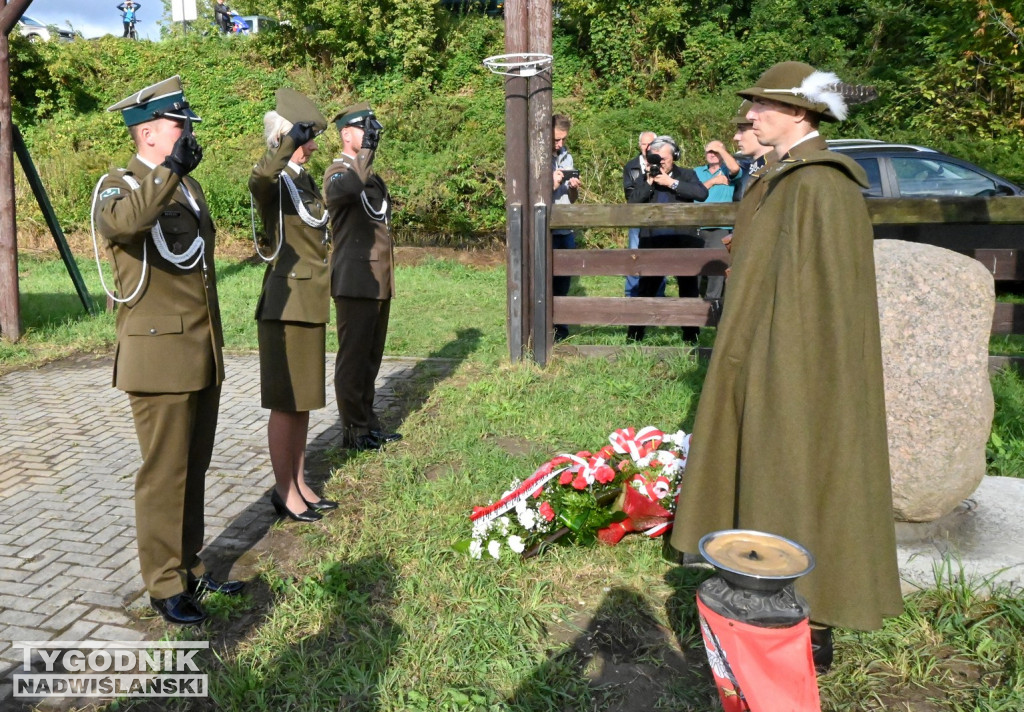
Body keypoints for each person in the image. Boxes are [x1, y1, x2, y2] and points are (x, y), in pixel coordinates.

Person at [669, 61, 904, 671]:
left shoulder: (821, 185)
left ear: (797, 113)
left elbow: (827, 301)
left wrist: (794, 371)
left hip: (795, 362)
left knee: (796, 469)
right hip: (763, 350)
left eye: (760, 107)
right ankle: (754, 598)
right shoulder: (784, 177)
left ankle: (807, 620)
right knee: (767, 467)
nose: (749, 116)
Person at [94, 76, 243, 625]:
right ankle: (162, 584)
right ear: (150, 133)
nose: (187, 135)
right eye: (179, 126)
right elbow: (127, 226)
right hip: (158, 356)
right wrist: (171, 172)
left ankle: (189, 570)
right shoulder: (116, 186)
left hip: (199, 349)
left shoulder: (188, 187)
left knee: (194, 467)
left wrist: (177, 175)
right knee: (164, 473)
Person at [250, 88, 337, 523]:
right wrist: (283, 145)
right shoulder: (276, 181)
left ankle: (299, 482)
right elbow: (260, 179)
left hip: (308, 302)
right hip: (285, 305)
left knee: (302, 401)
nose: (314, 145)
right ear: (287, 139)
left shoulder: (300, 180)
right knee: (286, 402)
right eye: (306, 137)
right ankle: (284, 490)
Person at [324, 102, 402, 452]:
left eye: (372, 131)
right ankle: (353, 428)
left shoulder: (371, 175)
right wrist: (366, 153)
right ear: (346, 134)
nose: (370, 136)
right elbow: (347, 191)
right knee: (353, 358)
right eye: (363, 130)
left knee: (371, 357)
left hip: (377, 278)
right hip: (355, 280)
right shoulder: (337, 172)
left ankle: (367, 421)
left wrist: (367, 155)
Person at [625, 135, 708, 343]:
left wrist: (671, 183)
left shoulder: (687, 174)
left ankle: (691, 337)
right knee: (646, 289)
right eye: (656, 158)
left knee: (688, 290)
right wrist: (649, 182)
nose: (660, 162)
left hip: (683, 243)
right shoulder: (646, 177)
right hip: (654, 243)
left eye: (664, 158)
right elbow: (632, 203)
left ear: (675, 156)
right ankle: (634, 336)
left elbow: (701, 193)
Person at [694, 140, 741, 305]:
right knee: (695, 269)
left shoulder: (729, 170)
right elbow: (693, 191)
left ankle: (713, 304)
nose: (713, 154)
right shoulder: (696, 172)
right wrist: (713, 181)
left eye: (716, 151)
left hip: (720, 226)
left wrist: (721, 150)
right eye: (709, 151)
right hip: (696, 226)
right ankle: (695, 305)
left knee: (716, 270)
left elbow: (735, 169)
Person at [622, 131, 663, 298]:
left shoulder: (663, 164)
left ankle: (658, 296)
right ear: (639, 146)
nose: (648, 147)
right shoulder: (630, 167)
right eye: (644, 144)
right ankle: (632, 296)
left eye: (651, 144)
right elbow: (631, 196)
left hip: (658, 218)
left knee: (659, 257)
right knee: (634, 256)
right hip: (637, 217)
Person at [551, 114, 580, 342]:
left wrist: (573, 187)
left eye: (563, 140)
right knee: (544, 280)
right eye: (556, 139)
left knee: (564, 281)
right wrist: (552, 183)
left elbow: (573, 199)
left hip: (566, 226)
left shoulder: (566, 156)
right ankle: (543, 327)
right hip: (546, 227)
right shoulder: (538, 157)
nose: (560, 144)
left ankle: (560, 329)